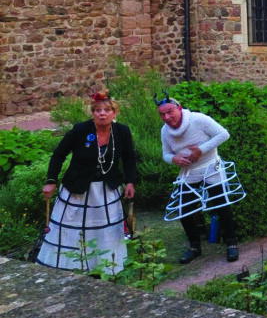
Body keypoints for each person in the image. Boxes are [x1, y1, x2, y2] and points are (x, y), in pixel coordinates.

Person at [38, 90, 138, 274]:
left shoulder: (122, 131)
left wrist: (130, 181)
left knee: (104, 228)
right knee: (74, 226)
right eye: (98, 110)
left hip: (107, 189)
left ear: (115, 113)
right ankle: (71, 265)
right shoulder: (80, 130)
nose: (102, 113)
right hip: (77, 188)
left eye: (107, 110)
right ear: (92, 113)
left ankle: (107, 265)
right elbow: (59, 154)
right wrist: (51, 181)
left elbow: (129, 157)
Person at [158, 94, 245, 264]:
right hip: (188, 173)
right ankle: (194, 246)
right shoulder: (165, 131)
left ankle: (231, 243)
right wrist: (173, 159)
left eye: (170, 112)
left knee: (222, 206)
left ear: (179, 108)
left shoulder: (198, 119)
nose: (167, 117)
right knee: (184, 209)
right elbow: (166, 154)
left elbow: (223, 134)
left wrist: (201, 150)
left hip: (211, 167)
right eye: (162, 114)